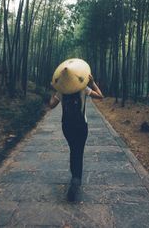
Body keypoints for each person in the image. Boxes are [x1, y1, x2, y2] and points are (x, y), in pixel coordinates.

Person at [49, 74, 103, 202]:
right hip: (81, 126)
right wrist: (93, 83)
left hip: (67, 127)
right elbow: (101, 96)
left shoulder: (61, 91)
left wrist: (54, 89)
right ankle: (76, 179)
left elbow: (51, 105)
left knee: (74, 150)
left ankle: (75, 177)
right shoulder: (83, 89)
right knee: (78, 151)